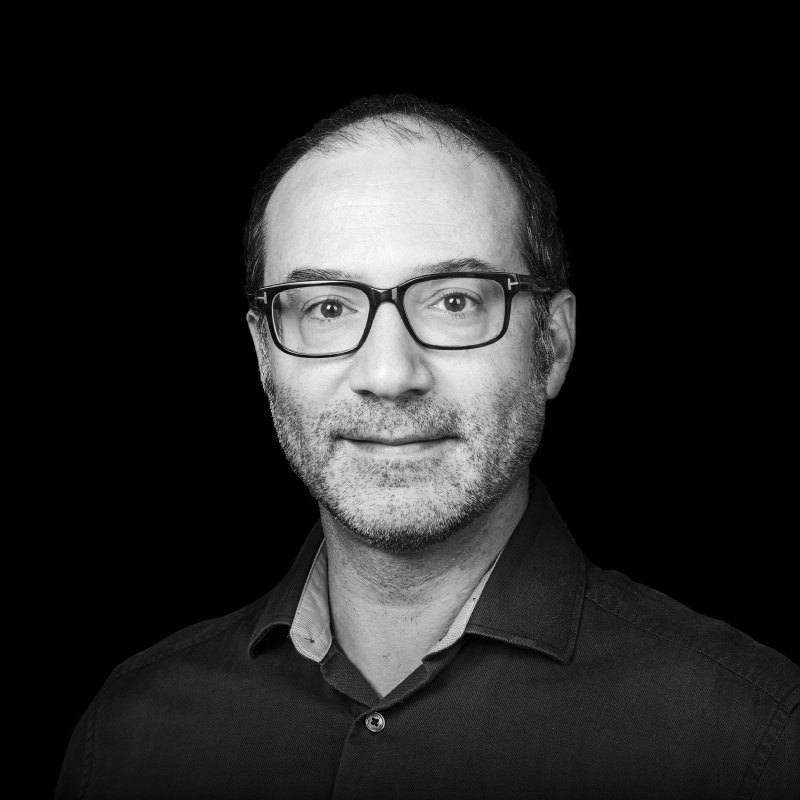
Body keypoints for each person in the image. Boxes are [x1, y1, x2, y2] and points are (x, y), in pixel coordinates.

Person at [56, 94, 798, 799]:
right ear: (262, 355)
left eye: (454, 300)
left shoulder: (755, 740)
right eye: (327, 307)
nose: (388, 375)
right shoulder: (126, 735)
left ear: (554, 343)